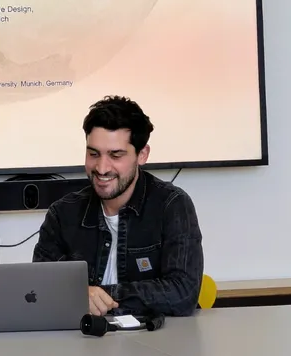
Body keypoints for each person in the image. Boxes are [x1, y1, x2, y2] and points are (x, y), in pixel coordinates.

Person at [32, 95, 204, 318]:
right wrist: (80, 294)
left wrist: (96, 295)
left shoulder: (172, 205)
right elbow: (40, 288)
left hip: (157, 336)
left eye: (115, 155)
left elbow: (183, 293)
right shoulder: (62, 213)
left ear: (142, 155)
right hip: (83, 336)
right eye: (93, 154)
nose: (102, 168)